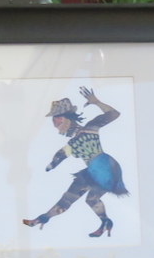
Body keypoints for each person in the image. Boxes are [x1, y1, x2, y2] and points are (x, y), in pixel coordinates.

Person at [23, 87, 128, 237]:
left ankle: (44, 217)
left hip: (103, 166)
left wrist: (96, 102)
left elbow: (114, 114)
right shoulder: (72, 144)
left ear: (67, 118)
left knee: (81, 197)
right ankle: (45, 218)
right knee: (86, 199)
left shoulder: (89, 128)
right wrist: (52, 164)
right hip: (97, 169)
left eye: (58, 121)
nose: (56, 125)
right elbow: (60, 155)